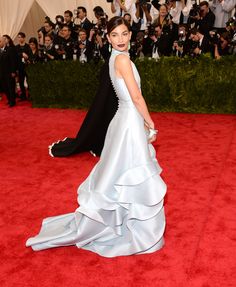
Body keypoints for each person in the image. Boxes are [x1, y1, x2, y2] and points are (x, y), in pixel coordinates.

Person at [26, 16, 166, 257]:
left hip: (122, 121)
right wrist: (150, 122)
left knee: (120, 174)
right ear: (108, 38)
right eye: (115, 35)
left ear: (130, 34)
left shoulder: (114, 58)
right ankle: (132, 226)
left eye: (124, 33)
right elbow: (136, 97)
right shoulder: (121, 59)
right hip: (129, 123)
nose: (120, 39)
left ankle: (122, 219)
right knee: (131, 174)